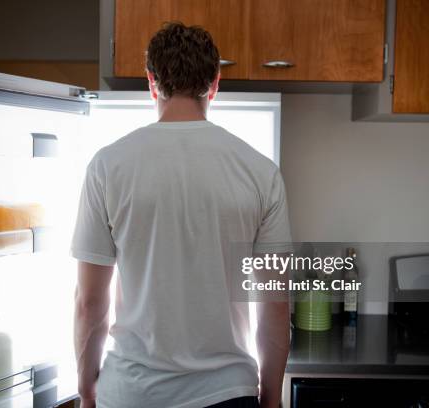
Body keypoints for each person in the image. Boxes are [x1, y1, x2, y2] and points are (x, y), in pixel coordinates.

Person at [72, 22, 291, 408]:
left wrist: (87, 387)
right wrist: (271, 398)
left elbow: (90, 301)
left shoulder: (108, 166)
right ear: (215, 83)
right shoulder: (260, 172)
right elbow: (274, 303)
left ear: (152, 82)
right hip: (229, 393)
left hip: (131, 393)